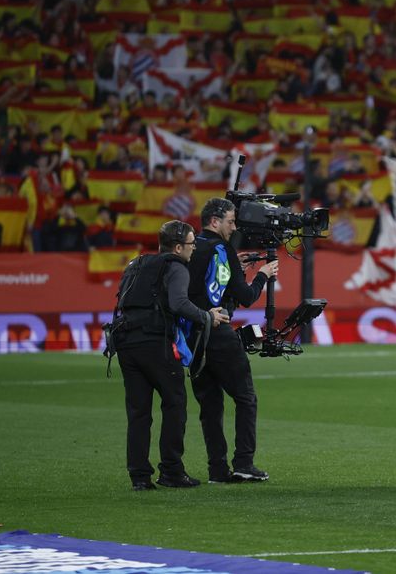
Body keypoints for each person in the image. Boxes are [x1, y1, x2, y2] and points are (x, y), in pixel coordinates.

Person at [111, 220, 227, 491]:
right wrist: (206, 316)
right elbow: (178, 303)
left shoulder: (137, 264)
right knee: (175, 403)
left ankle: (139, 476)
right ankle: (172, 471)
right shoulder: (176, 267)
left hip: (126, 342)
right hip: (155, 343)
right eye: (190, 243)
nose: (194, 248)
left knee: (138, 413)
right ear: (177, 247)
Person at [186, 198, 279, 484]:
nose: (234, 227)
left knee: (210, 405)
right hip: (219, 331)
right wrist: (263, 275)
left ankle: (217, 469)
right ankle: (243, 463)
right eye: (230, 221)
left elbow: (198, 286)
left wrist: (231, 266)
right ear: (215, 221)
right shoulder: (222, 249)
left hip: (193, 334)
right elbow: (247, 296)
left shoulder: (192, 248)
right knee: (246, 397)